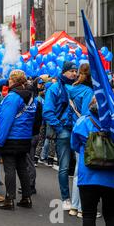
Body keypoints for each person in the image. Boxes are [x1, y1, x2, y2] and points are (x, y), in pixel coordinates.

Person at [71, 98, 114, 226]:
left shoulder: (83, 121)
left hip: (89, 176)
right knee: (111, 216)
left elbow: (75, 145)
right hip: (113, 176)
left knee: (88, 215)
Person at [0, 70, 38, 210]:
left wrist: (0, 141)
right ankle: (26, 198)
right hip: (25, 137)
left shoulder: (13, 97)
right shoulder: (33, 98)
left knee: (9, 169)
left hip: (11, 137)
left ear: (13, 81)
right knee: (22, 168)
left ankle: (9, 199)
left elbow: (6, 121)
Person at [43, 61, 78, 210]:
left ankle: (80, 200)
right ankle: (66, 198)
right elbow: (47, 111)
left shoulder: (79, 88)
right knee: (64, 166)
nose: (74, 73)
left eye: (76, 71)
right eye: (71, 71)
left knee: (80, 167)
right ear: (64, 72)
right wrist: (59, 128)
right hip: (64, 130)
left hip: (78, 130)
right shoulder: (54, 88)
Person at [67, 63, 94, 217]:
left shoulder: (72, 89)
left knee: (78, 170)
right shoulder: (88, 91)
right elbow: (86, 114)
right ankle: (82, 207)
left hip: (74, 130)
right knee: (84, 170)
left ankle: (74, 206)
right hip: (86, 133)